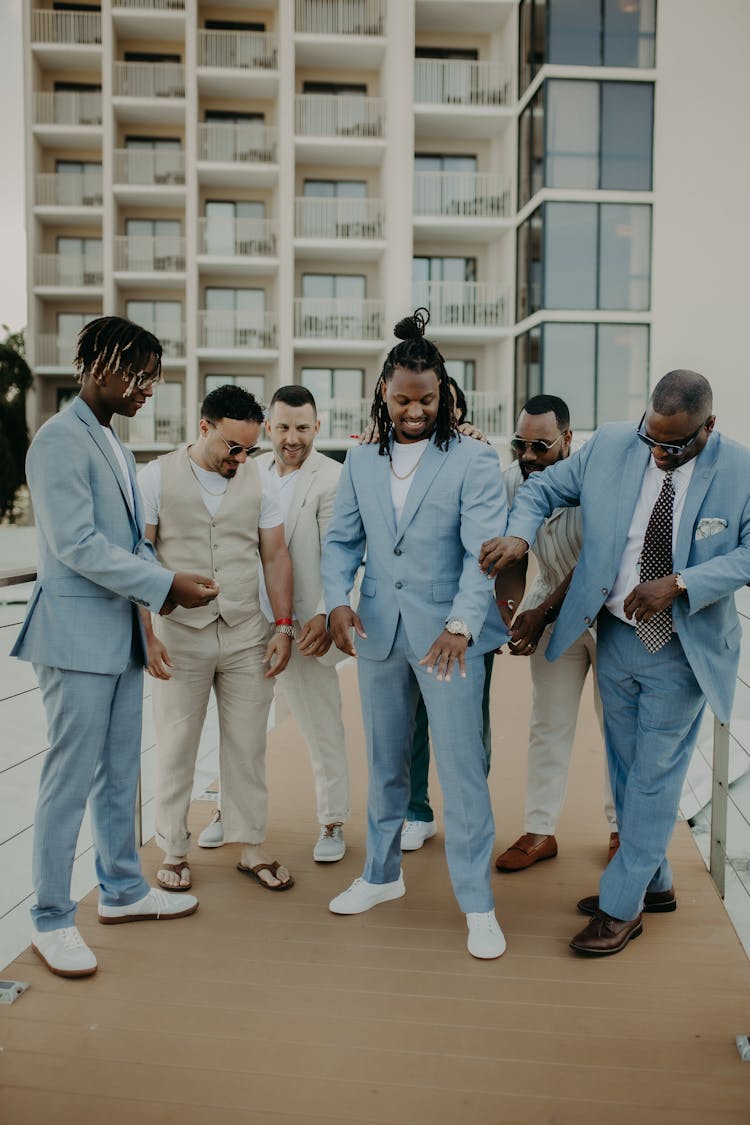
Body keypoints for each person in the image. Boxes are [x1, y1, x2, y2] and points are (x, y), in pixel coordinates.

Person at [480, 370, 750, 956]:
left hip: (684, 645)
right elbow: (541, 491)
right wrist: (522, 537)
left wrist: (679, 582)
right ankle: (654, 884)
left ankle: (620, 907)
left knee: (653, 776)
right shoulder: (610, 447)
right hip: (614, 633)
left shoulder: (741, 469)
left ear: (709, 428)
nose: (658, 452)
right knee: (626, 768)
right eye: (651, 437)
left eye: (673, 445)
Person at [12, 316, 218, 978]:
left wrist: (156, 605)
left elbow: (128, 542)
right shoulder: (56, 440)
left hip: (119, 637)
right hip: (72, 637)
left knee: (120, 771)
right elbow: (75, 544)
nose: (149, 390)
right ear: (101, 365)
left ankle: (123, 888)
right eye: (143, 375)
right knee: (68, 779)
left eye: (153, 379)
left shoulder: (111, 444)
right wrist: (165, 584)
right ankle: (48, 915)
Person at [322, 309, 509, 959]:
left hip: (447, 639)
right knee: (384, 764)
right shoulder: (359, 460)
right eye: (402, 398)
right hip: (376, 632)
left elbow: (479, 555)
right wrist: (335, 604)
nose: (414, 410)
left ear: (444, 394)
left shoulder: (475, 460)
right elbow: (342, 540)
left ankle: (478, 904)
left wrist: (461, 624)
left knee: (462, 772)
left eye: (426, 399)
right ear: (383, 392)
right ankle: (379, 876)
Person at [138, 384, 295, 893]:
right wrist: (147, 636)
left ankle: (252, 846)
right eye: (234, 447)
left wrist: (285, 626)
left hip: (247, 631)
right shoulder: (155, 476)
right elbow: (138, 559)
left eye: (251, 448)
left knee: (248, 746)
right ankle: (174, 849)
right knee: (177, 745)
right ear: (204, 427)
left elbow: (274, 556)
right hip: (178, 635)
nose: (242, 458)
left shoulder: (260, 482)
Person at [198, 385, 350, 862]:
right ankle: (227, 810)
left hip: (307, 623)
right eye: (282, 427)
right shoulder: (248, 470)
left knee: (322, 726)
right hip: (248, 620)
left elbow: (342, 555)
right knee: (240, 725)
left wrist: (324, 611)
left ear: (316, 427)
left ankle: (332, 820)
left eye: (302, 428)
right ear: (269, 427)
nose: (292, 438)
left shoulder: (334, 479)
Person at [493, 394, 618, 873]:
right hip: (550, 612)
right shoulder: (511, 481)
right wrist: (511, 613)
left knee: (617, 729)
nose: (528, 457)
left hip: (609, 615)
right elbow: (513, 558)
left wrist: (539, 613)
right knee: (548, 725)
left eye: (540, 447)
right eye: (519, 445)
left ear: (567, 439)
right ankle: (540, 830)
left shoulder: (597, 474)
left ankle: (621, 831)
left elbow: (597, 561)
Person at [401, 375, 495, 851]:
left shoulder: (477, 456)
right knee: (413, 722)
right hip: (410, 616)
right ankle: (416, 810)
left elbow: (484, 544)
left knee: (468, 727)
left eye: (446, 406)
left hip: (469, 622)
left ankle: (468, 813)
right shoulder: (399, 454)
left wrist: (464, 622)